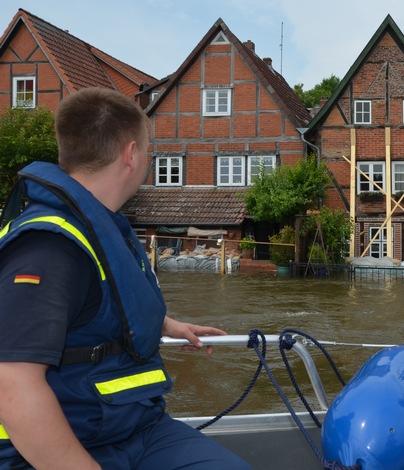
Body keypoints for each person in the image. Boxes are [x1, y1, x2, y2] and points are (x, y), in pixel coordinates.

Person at [0, 87, 252, 469]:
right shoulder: (49, 248)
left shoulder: (103, 229)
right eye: (149, 151)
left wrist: (167, 324)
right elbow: (13, 387)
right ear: (132, 154)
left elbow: (100, 303)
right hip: (67, 443)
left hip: (135, 427)